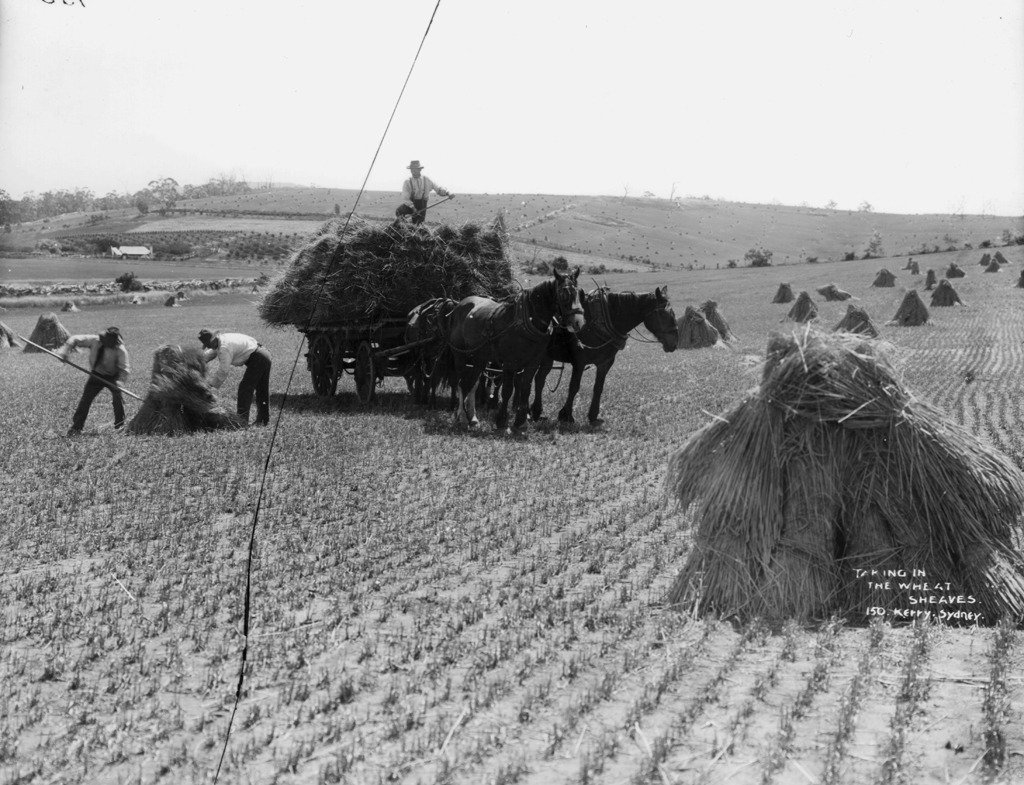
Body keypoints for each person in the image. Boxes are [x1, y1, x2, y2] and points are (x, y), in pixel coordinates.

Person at [60, 326, 131, 435]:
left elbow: (125, 369)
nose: (103, 342)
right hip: (96, 374)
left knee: (117, 398)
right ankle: (77, 427)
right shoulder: (96, 340)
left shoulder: (120, 349)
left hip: (113, 377)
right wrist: (65, 351)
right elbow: (74, 339)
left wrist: (120, 382)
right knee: (86, 400)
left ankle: (120, 425)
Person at [198, 329, 272, 426]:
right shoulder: (220, 340)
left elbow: (223, 371)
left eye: (208, 345)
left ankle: (242, 421)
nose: (209, 347)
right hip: (263, 354)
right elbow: (211, 353)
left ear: (213, 340)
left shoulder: (224, 347)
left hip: (259, 358)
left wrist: (210, 385)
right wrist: (197, 362)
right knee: (261, 389)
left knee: (245, 389)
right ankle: (263, 420)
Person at [395, 160, 453, 224]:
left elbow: (438, 189)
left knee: (418, 225)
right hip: (411, 205)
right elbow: (406, 198)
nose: (413, 171)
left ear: (420, 170)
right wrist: (413, 208)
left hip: (422, 205)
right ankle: (404, 228)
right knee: (399, 211)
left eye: (415, 169)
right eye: (412, 169)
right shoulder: (407, 182)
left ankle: (413, 229)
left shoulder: (426, 180)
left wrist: (448, 193)